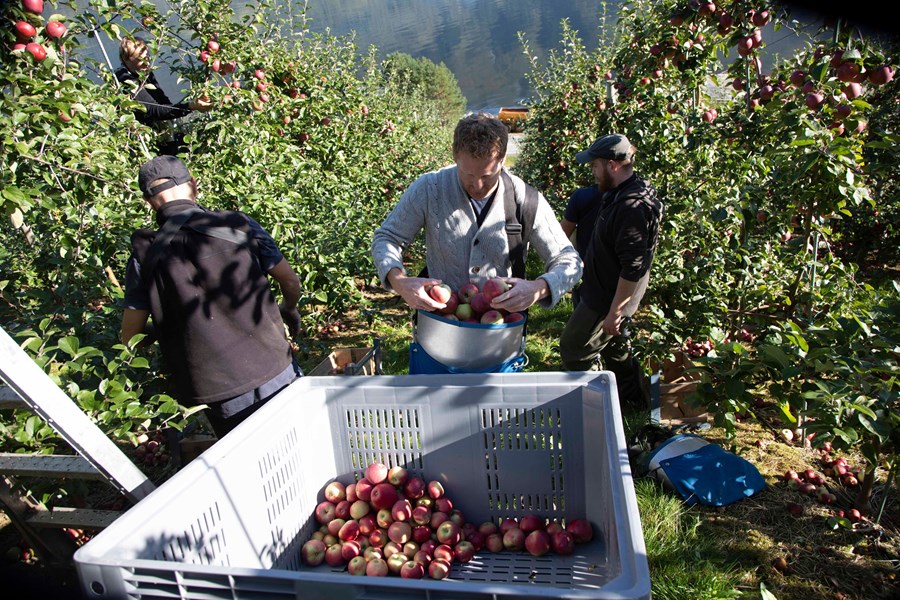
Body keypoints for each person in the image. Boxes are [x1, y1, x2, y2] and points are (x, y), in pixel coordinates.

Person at [121, 155, 303, 437]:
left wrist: (169, 325)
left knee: (251, 459)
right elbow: (290, 281)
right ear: (193, 185)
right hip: (273, 364)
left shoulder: (144, 255)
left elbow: (130, 338)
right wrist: (288, 308)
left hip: (217, 389)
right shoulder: (237, 225)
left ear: (147, 201)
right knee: (298, 440)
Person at [372, 112, 582, 319]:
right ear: (455, 157)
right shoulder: (429, 189)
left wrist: (540, 287)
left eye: (487, 176)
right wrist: (399, 281)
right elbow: (388, 238)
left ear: (502, 160)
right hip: (441, 325)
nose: (478, 185)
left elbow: (569, 261)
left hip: (500, 332)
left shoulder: (526, 199)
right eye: (468, 174)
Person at [559, 134, 663, 409]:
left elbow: (633, 267)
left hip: (605, 299)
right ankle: (632, 402)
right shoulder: (623, 192)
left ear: (612, 165)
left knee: (573, 347)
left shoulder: (632, 208)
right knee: (616, 349)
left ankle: (595, 407)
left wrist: (616, 311)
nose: (592, 172)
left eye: (594, 166)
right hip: (603, 290)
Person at [116, 37, 212, 155]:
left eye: (147, 57)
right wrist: (190, 106)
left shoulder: (144, 71)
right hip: (146, 139)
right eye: (140, 58)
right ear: (127, 59)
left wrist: (181, 111)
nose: (147, 61)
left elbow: (163, 101)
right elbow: (153, 109)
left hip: (162, 130)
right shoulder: (125, 79)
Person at [560, 184, 602, 308]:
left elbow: (562, 234)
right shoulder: (635, 198)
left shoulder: (583, 196)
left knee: (583, 322)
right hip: (621, 278)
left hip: (587, 272)